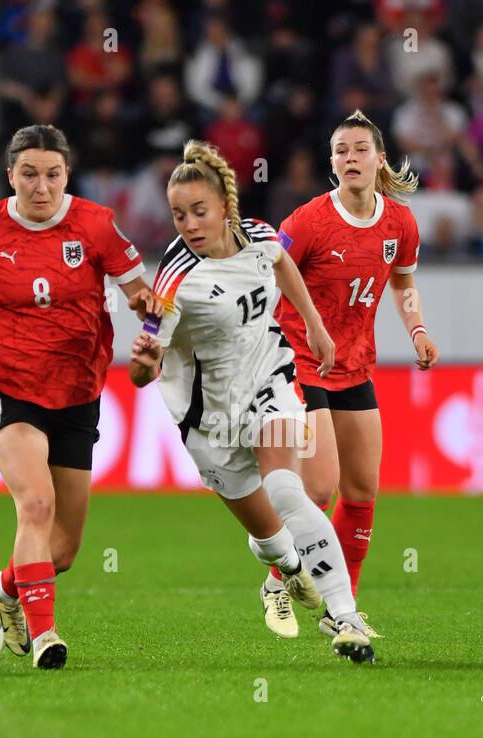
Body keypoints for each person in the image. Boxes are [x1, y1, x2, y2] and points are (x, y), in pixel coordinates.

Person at [126, 140, 375, 663]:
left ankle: (345, 617)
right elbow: (140, 374)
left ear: (223, 207)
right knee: (273, 540)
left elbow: (284, 264)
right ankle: (282, 571)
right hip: (210, 421)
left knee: (288, 489)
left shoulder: (259, 236)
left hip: (270, 379)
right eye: (178, 215)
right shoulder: (174, 279)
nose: (190, 224)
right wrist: (145, 361)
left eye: (199, 211)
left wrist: (313, 324)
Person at [0, 124, 150, 670]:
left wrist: (153, 330)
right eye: (29, 175)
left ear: (66, 175)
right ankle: (45, 636)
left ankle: (4, 590)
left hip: (77, 395)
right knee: (36, 504)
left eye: (52, 175)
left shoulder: (95, 224)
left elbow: (142, 296)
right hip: (10, 390)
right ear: (10, 177)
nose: (40, 187)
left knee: (62, 550)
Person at [265, 110, 440, 639]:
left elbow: (403, 283)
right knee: (319, 489)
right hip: (300, 360)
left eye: (360, 149)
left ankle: (343, 611)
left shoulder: (399, 224)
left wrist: (417, 329)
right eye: (340, 151)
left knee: (362, 492)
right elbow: (269, 268)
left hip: (355, 365)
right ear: (332, 163)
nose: (350, 158)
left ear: (379, 159)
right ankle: (278, 579)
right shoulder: (309, 222)